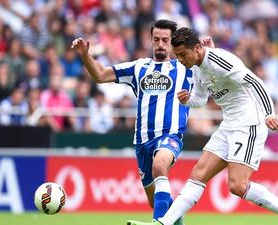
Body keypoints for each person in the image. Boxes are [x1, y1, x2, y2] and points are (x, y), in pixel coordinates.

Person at [127, 28, 278, 225]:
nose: (179, 60)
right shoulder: (196, 68)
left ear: (197, 48)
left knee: (237, 186)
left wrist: (269, 113)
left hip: (249, 123)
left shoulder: (219, 61)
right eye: (177, 55)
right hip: (228, 124)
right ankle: (164, 223)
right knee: (198, 175)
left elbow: (255, 82)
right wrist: (188, 100)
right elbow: (200, 98)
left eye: (182, 54)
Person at [71, 20, 213, 225]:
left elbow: (211, 71)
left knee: (160, 166)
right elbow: (101, 75)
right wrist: (85, 55)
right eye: (156, 39)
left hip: (170, 135)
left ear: (173, 42)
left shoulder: (186, 67)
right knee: (154, 200)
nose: (161, 44)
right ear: (151, 40)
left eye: (165, 40)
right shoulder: (139, 67)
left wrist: (210, 52)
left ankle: (157, 223)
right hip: (142, 141)